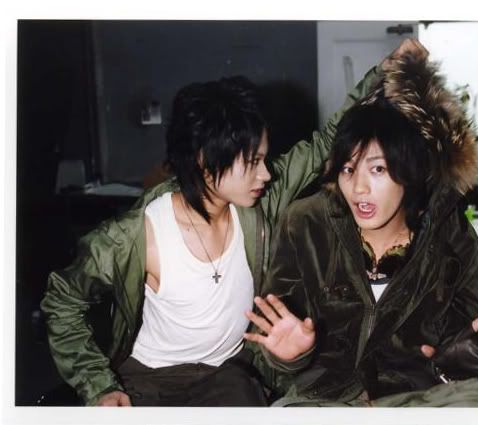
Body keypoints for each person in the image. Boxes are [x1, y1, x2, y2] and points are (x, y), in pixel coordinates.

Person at [39, 41, 417, 407]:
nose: (266, 174)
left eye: (264, 160)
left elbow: (325, 144)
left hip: (227, 377)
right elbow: (62, 299)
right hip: (146, 381)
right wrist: (98, 386)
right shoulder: (136, 235)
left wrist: (385, 72)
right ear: (204, 161)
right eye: (252, 163)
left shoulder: (260, 203)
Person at [244, 40, 478, 407]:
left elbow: (460, 346)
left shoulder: (452, 236)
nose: (358, 188)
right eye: (347, 169)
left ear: (411, 172)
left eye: (378, 169)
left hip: (415, 398)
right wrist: (290, 355)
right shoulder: (306, 223)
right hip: (324, 399)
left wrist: (452, 368)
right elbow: (273, 346)